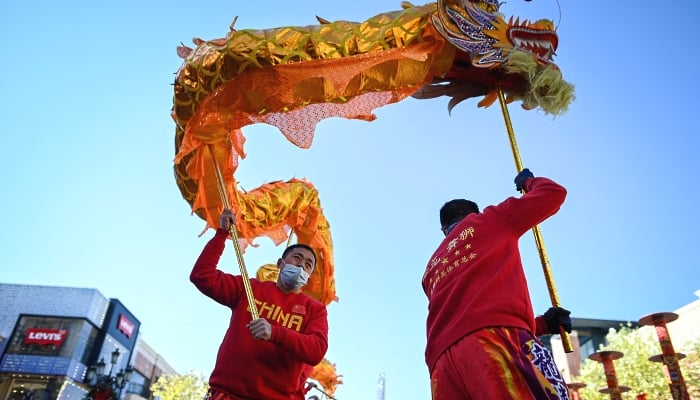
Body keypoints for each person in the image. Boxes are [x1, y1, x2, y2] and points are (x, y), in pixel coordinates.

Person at [423, 168, 572, 400]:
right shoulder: (490, 220)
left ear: (444, 231)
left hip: (441, 366)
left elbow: (464, 320)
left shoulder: (431, 268)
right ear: (475, 213)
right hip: (492, 341)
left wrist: (542, 325)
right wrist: (528, 183)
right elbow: (553, 193)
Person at [190, 209, 329, 400]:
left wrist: (275, 333)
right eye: (297, 258)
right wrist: (222, 234)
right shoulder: (249, 287)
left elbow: (316, 350)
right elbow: (202, 276)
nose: (300, 266)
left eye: (307, 265)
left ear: (308, 277)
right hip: (227, 394)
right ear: (280, 263)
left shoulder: (315, 309)